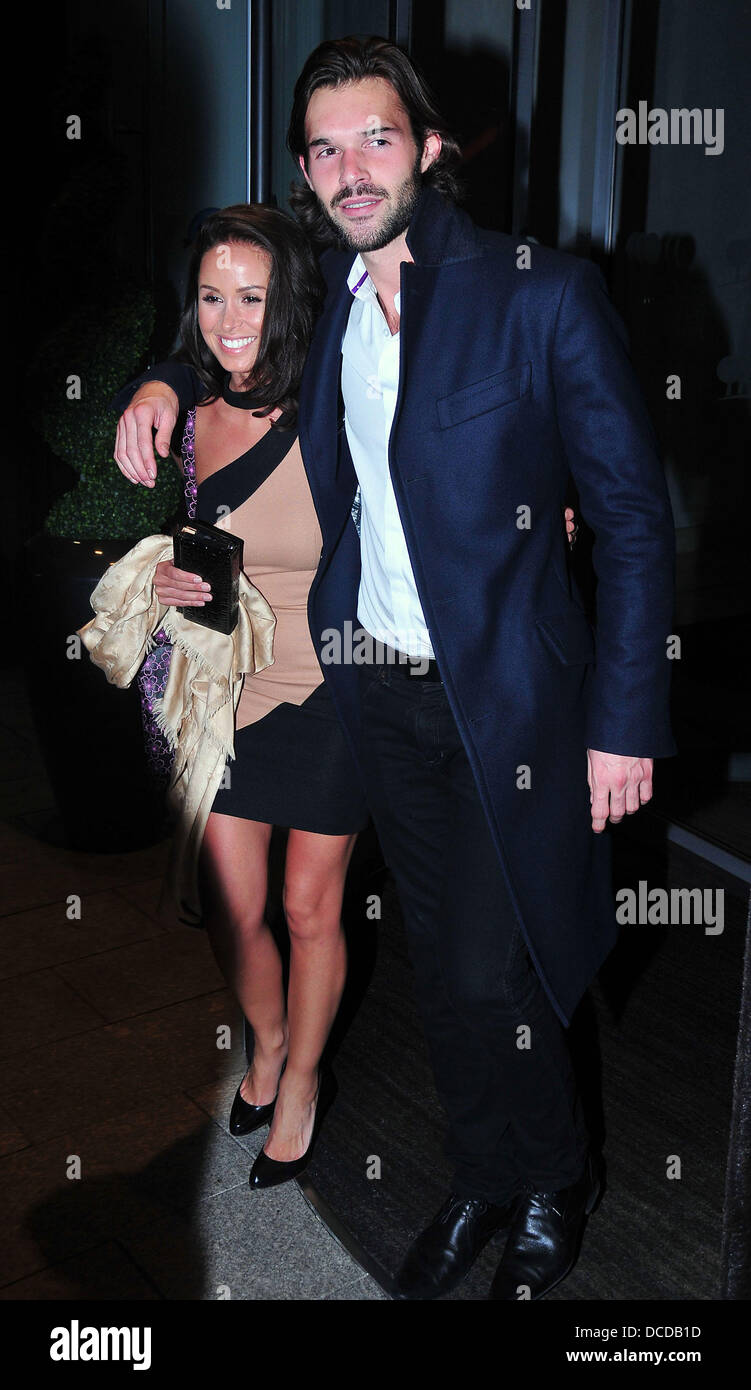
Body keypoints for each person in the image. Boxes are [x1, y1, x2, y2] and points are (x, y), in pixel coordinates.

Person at [113, 36, 675, 1300]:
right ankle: (485, 1169)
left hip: (511, 704)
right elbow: (222, 323)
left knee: (497, 963)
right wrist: (157, 379)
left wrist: (624, 720)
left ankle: (554, 1176)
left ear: (429, 147)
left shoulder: (541, 294)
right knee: (437, 955)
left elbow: (632, 519)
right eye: (324, 146)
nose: (350, 167)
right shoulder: (327, 287)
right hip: (375, 694)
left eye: (375, 137)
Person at [143, 202, 370, 1190]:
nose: (231, 320)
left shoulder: (334, 402)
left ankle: (304, 1081)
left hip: (328, 685)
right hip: (224, 681)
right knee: (236, 913)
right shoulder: (184, 414)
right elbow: (178, 545)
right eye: (211, 295)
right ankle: (268, 1045)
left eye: (254, 295)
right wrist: (160, 574)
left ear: (288, 305)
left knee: (307, 907)